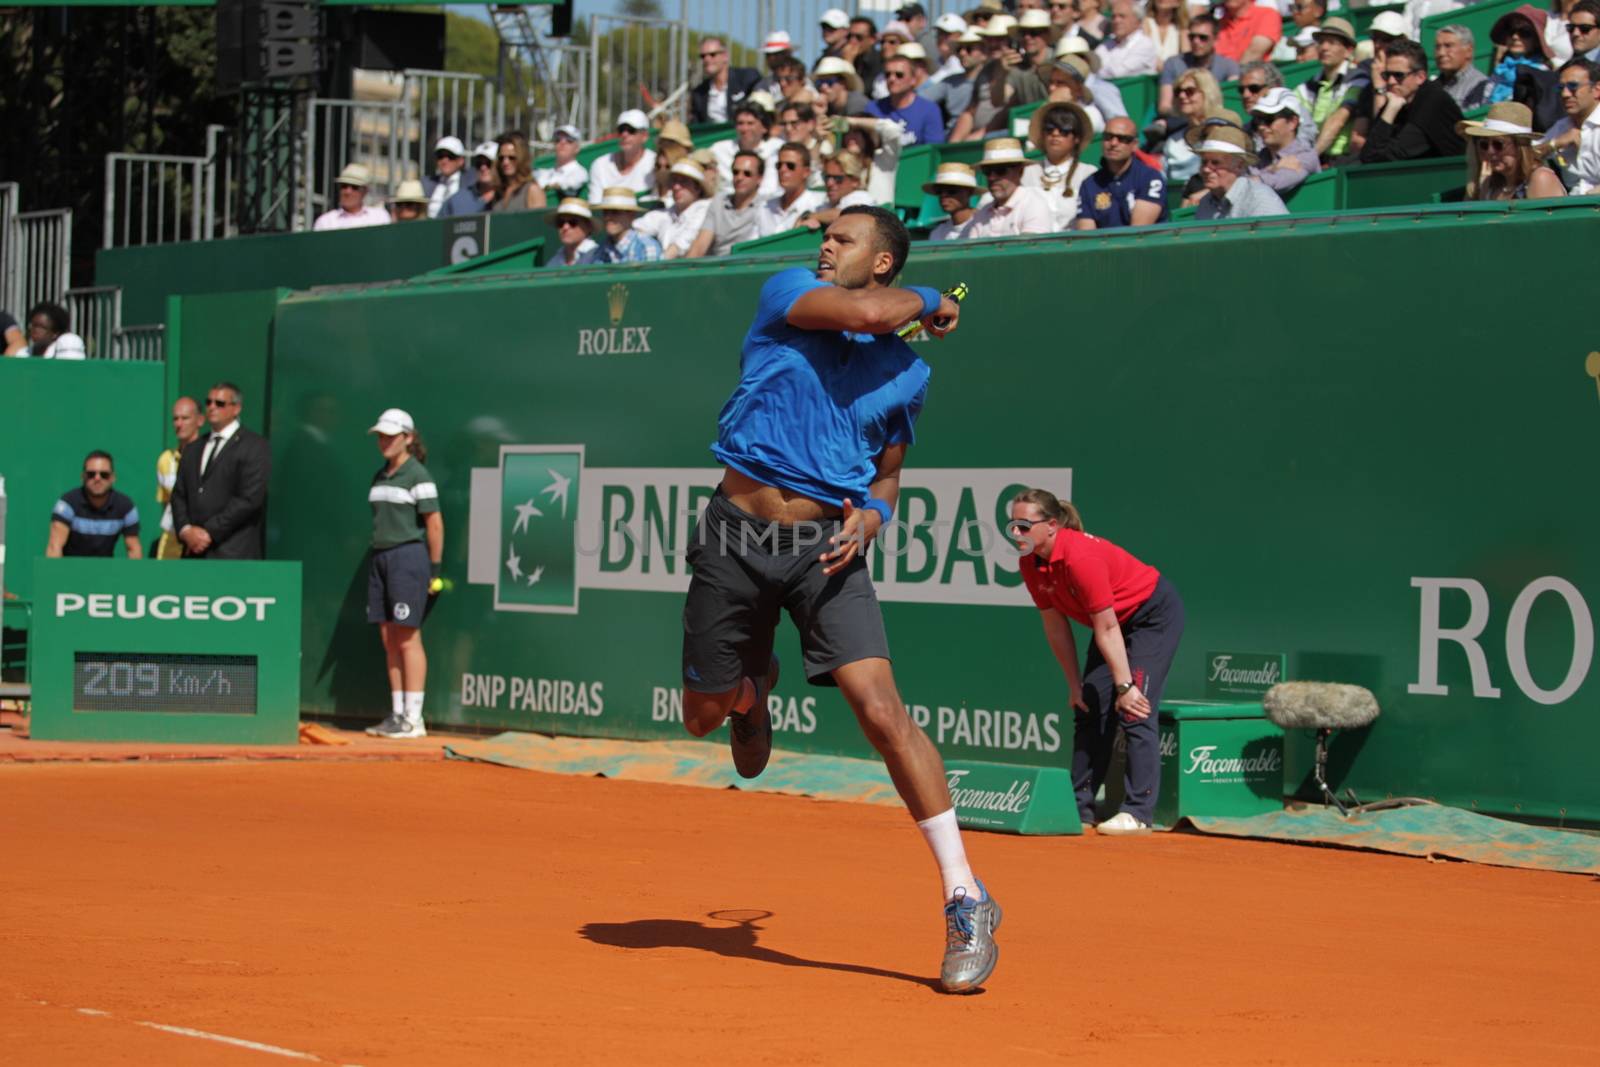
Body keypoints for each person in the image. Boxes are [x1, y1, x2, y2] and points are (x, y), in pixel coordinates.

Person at [680, 204, 1000, 993]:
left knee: (882, 710)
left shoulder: (909, 372)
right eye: (825, 234)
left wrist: (875, 514)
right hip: (734, 534)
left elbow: (886, 472)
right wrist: (936, 300)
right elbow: (866, 312)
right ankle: (751, 693)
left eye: (844, 238)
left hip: (826, 551)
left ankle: (966, 894)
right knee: (703, 712)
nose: (824, 245)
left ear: (883, 260)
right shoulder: (788, 291)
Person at [1009, 489, 1185, 835]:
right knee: (1088, 704)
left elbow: (1105, 627)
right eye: (1012, 525)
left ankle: (1138, 811)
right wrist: (1075, 684)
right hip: (1114, 624)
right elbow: (1055, 626)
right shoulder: (1029, 563)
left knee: (1135, 706)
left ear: (1052, 526)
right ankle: (1079, 808)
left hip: (1152, 616)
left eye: (1024, 526)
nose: (1016, 534)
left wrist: (1124, 686)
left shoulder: (1080, 558)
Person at [362, 408, 443, 740]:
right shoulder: (380, 475)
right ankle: (398, 714)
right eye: (380, 435)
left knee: (408, 637)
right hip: (380, 558)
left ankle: (414, 717)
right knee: (388, 637)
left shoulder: (418, 475)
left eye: (391, 436)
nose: (384, 441)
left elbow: (435, 524)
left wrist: (434, 569)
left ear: (408, 438)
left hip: (408, 558)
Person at [169, 381, 272, 560]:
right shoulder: (193, 448)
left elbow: (249, 499)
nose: (212, 407)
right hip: (194, 554)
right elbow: (179, 494)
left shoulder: (254, 446)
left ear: (236, 408)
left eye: (220, 403)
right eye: (209, 402)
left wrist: (208, 533)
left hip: (233, 554)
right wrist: (186, 531)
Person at [1361, 39, 1467, 163]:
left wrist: (1390, 109)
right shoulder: (1397, 100)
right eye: (1387, 75)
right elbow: (1368, 154)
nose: (1391, 81)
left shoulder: (1434, 101)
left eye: (1398, 75)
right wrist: (1390, 109)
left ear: (1420, 77)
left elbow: (1379, 159)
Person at [1076, 117, 1171, 229]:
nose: (1113, 143)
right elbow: (1088, 237)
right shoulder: (1089, 184)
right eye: (1108, 137)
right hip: (1102, 246)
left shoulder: (1150, 178)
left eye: (1122, 139)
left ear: (1135, 144)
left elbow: (1138, 233)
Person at [1460, 101, 1567, 198]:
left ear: (1520, 146)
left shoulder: (1540, 179)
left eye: (1498, 144)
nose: (1490, 151)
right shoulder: (1490, 184)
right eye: (1484, 145)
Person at [47, 451, 142, 559]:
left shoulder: (126, 506)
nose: (97, 478)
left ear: (113, 478)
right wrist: (56, 575)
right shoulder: (67, 504)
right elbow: (54, 547)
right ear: (83, 476)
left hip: (107, 572)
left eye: (104, 475)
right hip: (69, 572)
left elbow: (133, 549)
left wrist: (133, 576)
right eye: (91, 474)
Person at [1302, 19, 1368, 160]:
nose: (1324, 47)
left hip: (1341, 160)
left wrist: (1309, 158)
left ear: (1348, 50)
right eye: (1321, 42)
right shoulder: (1308, 85)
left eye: (1332, 42)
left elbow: (1337, 121)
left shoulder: (1359, 80)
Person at [962, 138, 1055, 238]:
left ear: (1020, 171)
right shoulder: (982, 213)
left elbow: (1030, 250)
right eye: (987, 171)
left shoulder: (1034, 204)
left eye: (1000, 170)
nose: (992, 177)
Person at [1193, 124, 1289, 218]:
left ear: (1239, 165)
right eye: (1204, 162)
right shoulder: (1206, 203)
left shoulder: (1259, 200)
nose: (1206, 169)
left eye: (1215, 163)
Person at [1024, 102, 1095, 229]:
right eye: (1049, 129)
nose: (1055, 134)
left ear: (1076, 138)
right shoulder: (1026, 173)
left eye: (1064, 130)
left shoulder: (1089, 174)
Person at [1157, 15, 1240, 119]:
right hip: (1180, 119)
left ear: (1216, 39)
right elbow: (1165, 106)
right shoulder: (1174, 63)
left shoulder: (1228, 66)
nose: (1196, 41)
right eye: (1192, 37)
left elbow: (1232, 105)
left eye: (1203, 38)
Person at [155, 396, 205, 559]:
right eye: (175, 419)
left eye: (185, 418)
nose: (179, 424)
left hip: (201, 541)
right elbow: (166, 502)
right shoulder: (164, 459)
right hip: (171, 539)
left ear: (200, 420)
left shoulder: (210, 457)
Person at [689, 151, 766, 256]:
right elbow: (700, 247)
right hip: (718, 267)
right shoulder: (719, 203)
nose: (739, 178)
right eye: (736, 172)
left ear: (759, 179)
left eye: (747, 174)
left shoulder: (766, 206)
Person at [1542, 57, 1600, 192]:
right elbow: (1528, 156)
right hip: (1572, 206)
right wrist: (1555, 143)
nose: (1565, 94)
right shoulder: (1562, 127)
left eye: (1573, 86)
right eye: (1561, 87)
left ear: (1597, 89)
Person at [1251, 87, 1321, 196]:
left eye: (1269, 119)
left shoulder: (1306, 156)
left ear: (1292, 122)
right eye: (1258, 120)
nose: (1261, 127)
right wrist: (1273, 168)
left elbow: (1273, 183)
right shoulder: (1258, 158)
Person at [867, 52, 946, 144]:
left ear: (913, 80)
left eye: (899, 75)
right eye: (887, 74)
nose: (892, 79)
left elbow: (933, 150)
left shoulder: (929, 110)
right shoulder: (873, 108)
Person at [1163, 68, 1225, 187]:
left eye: (1189, 91)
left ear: (1207, 93)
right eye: (1178, 91)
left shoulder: (1223, 133)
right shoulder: (1172, 141)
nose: (1182, 96)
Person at [713, 102, 784, 199]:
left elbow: (771, 189)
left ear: (764, 128)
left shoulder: (778, 148)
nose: (744, 128)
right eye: (740, 123)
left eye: (750, 123)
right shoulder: (719, 149)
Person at [642, 160, 713, 256]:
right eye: (674, 181)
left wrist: (659, 264)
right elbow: (638, 227)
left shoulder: (705, 208)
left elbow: (683, 241)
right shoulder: (668, 213)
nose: (676, 187)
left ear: (698, 188)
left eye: (684, 181)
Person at [1489, 5, 1554, 105]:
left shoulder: (1542, 72)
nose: (1515, 37)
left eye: (1524, 32)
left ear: (1536, 40)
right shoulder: (1501, 69)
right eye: (1511, 31)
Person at [587, 110, 658, 202]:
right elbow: (595, 205)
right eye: (621, 130)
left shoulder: (655, 164)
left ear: (644, 136)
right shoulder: (600, 165)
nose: (624, 135)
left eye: (631, 130)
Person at [691, 35, 761, 124]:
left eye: (712, 54)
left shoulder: (747, 78)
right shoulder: (699, 94)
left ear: (725, 56)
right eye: (703, 56)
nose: (707, 59)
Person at [757, 143, 825, 236]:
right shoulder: (764, 207)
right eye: (779, 165)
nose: (782, 170)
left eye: (790, 166)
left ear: (806, 172)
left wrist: (810, 217)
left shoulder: (819, 203)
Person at [591, 188, 664, 263]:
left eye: (615, 212)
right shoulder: (601, 249)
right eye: (605, 212)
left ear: (631, 215)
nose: (608, 217)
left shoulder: (647, 247)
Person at [313, 164, 391, 231]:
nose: (348, 192)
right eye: (344, 186)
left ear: (365, 191)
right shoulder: (326, 221)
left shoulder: (379, 218)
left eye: (354, 187)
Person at [1097, 0, 1161, 78]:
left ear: (1137, 21)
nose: (1116, 21)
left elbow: (1118, 73)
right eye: (1113, 17)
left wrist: (1097, 70)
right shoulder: (1107, 44)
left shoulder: (1144, 44)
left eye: (1122, 16)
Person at [1434, 25, 1492, 111]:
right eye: (1437, 47)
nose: (1441, 53)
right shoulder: (1431, 87)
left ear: (1469, 51)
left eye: (1448, 46)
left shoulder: (1482, 86)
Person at [439, 143, 500, 217]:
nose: (483, 168)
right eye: (479, 164)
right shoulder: (458, 199)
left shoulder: (509, 197)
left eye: (489, 163)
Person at [492, 133, 548, 213]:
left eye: (511, 157)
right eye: (501, 158)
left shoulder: (532, 190)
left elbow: (538, 223)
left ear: (522, 158)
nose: (505, 162)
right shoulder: (499, 192)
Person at [923, 161, 980, 239]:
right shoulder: (938, 233)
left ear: (969, 192)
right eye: (939, 192)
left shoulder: (983, 224)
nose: (943, 196)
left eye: (952, 191)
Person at [1215, 0, 1281, 63]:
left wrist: (1234, 73)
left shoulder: (1266, 15)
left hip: (1247, 71)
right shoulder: (1215, 17)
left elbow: (1254, 54)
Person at [534, 125, 589, 200]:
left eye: (569, 140)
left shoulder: (580, 172)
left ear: (577, 148)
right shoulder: (542, 173)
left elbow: (570, 184)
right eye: (557, 140)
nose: (562, 143)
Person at [545, 198, 601, 268]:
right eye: (561, 222)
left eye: (573, 222)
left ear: (588, 227)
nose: (565, 227)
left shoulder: (599, 257)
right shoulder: (554, 261)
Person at [22, 302, 86, 359]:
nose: (35, 330)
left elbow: (70, 370)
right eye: (33, 325)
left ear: (55, 333)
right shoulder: (24, 353)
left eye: (41, 327)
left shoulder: (68, 342)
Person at [424, 136, 466, 219]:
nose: (444, 161)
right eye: (440, 156)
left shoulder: (469, 183)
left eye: (450, 156)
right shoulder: (427, 183)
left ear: (461, 160)